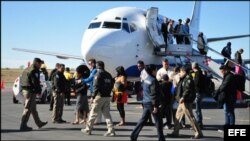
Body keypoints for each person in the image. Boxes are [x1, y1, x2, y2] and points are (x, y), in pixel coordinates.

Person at [130, 64, 165, 141]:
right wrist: (155, 106)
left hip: (146, 102)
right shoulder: (153, 81)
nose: (156, 71)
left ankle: (133, 135)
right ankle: (161, 138)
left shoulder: (146, 79)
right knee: (158, 122)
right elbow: (154, 94)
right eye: (156, 70)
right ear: (152, 71)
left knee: (142, 120)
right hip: (152, 103)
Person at [81, 61, 116, 136]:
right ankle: (111, 130)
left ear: (97, 66)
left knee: (93, 113)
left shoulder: (98, 74)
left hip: (99, 96)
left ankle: (88, 129)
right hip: (107, 96)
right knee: (107, 114)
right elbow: (112, 85)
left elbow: (96, 86)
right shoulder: (108, 74)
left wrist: (93, 97)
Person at [168, 66, 203, 139]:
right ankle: (175, 132)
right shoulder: (183, 79)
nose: (179, 73)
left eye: (180, 71)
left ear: (184, 72)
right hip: (181, 100)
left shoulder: (188, 79)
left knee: (190, 117)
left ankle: (198, 132)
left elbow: (187, 89)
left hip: (185, 101)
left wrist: (183, 97)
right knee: (177, 116)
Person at [19, 57, 48, 131]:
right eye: (40, 64)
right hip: (30, 91)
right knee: (28, 108)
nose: (41, 65)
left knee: (33, 109)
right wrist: (39, 91)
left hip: (26, 90)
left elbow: (22, 79)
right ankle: (23, 125)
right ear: (37, 63)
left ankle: (39, 123)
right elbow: (35, 82)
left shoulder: (27, 69)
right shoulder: (34, 71)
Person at [136, 60, 153, 125]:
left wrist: (143, 91)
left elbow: (145, 82)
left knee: (147, 106)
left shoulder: (145, 72)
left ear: (143, 65)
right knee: (145, 107)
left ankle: (148, 120)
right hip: (143, 90)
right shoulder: (142, 72)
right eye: (138, 66)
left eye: (140, 66)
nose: (139, 67)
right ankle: (148, 120)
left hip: (145, 91)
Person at [191, 62, 206, 129]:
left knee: (197, 109)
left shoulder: (197, 74)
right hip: (201, 92)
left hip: (198, 93)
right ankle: (199, 122)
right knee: (198, 109)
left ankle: (199, 123)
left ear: (193, 67)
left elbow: (196, 83)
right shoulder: (200, 73)